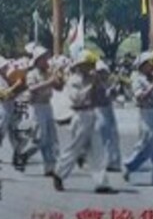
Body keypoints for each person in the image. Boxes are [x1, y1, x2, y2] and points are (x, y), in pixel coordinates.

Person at [53, 49, 117, 193]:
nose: (90, 67)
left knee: (97, 149)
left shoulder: (94, 79)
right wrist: (91, 84)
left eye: (91, 64)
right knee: (75, 148)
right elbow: (78, 99)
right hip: (80, 115)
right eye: (87, 64)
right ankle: (59, 173)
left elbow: (102, 98)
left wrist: (107, 89)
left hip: (92, 113)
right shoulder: (73, 81)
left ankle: (101, 183)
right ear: (80, 65)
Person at [123, 52, 153, 186]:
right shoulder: (137, 78)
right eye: (148, 64)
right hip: (146, 112)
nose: (151, 66)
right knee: (146, 142)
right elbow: (139, 97)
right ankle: (129, 165)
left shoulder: (151, 76)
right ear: (142, 65)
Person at [26, 45, 61, 176]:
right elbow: (31, 88)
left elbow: (59, 87)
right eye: (44, 58)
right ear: (37, 60)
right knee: (40, 137)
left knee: (51, 137)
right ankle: (24, 153)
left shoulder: (48, 73)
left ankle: (49, 167)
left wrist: (57, 80)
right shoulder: (32, 74)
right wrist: (48, 82)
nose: (46, 61)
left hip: (47, 105)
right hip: (37, 106)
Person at [94, 60, 122, 172]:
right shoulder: (95, 84)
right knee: (103, 136)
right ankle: (104, 161)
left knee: (113, 135)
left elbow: (113, 96)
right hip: (99, 110)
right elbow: (100, 97)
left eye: (104, 72)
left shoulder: (108, 83)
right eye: (100, 72)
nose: (103, 74)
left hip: (108, 109)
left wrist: (114, 90)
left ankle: (113, 161)